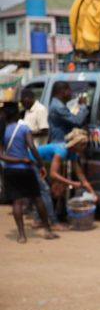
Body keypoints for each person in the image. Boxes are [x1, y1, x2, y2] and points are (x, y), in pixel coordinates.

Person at [0, 102, 59, 243]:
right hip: (25, 169)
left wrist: (15, 160)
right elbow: (32, 146)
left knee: (17, 202)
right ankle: (47, 230)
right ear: (17, 114)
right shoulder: (24, 128)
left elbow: (1, 156)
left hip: (9, 170)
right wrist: (40, 164)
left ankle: (21, 235)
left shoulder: (2, 130)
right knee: (37, 198)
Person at [30, 128, 96, 230]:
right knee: (45, 191)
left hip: (40, 165)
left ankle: (38, 220)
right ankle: (54, 222)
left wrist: (92, 193)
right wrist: (72, 183)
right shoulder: (61, 151)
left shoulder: (72, 153)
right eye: (82, 145)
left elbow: (80, 175)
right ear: (76, 144)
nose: (84, 147)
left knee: (43, 192)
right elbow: (53, 174)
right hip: (30, 163)